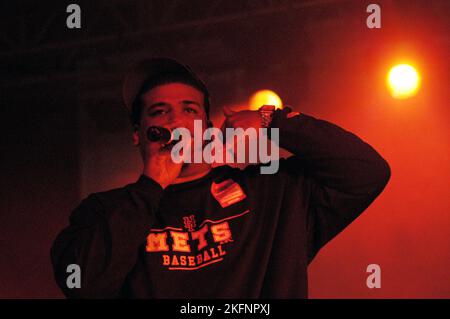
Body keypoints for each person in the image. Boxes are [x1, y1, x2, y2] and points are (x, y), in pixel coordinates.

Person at [51, 57, 391, 298]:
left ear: (208, 129)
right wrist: (150, 189)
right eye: (160, 112)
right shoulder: (103, 211)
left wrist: (273, 121)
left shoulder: (271, 194)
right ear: (139, 134)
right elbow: (82, 284)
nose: (176, 121)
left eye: (190, 109)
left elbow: (365, 171)